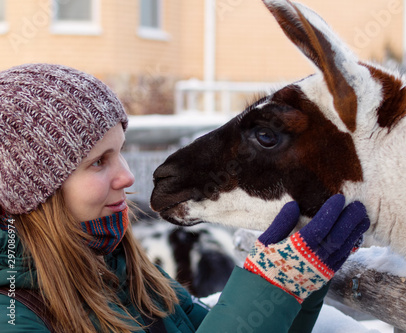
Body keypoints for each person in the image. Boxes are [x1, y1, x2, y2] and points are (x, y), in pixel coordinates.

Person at [0, 63, 370, 333]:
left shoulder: (121, 267)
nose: (128, 176)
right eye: (99, 162)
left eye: (120, 152)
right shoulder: (14, 315)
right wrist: (269, 285)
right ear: (31, 190)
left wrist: (295, 286)